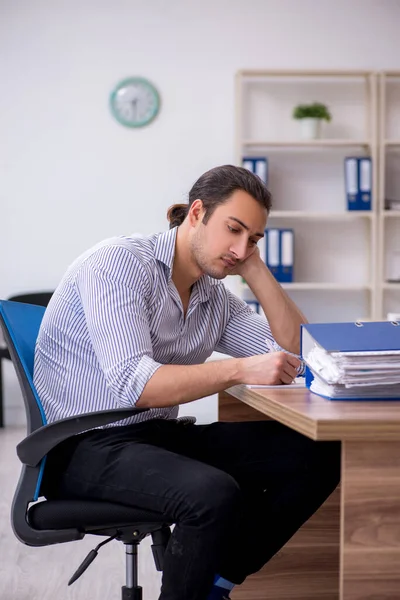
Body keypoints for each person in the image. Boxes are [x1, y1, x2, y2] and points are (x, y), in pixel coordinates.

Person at [35, 165, 340, 600]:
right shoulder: (119, 263)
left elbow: (300, 352)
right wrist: (238, 369)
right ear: (196, 213)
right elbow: (134, 385)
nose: (239, 248)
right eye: (233, 230)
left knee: (318, 451)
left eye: (253, 239)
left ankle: (217, 585)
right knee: (212, 494)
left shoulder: (213, 296)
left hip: (154, 437)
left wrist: (256, 271)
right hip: (83, 445)